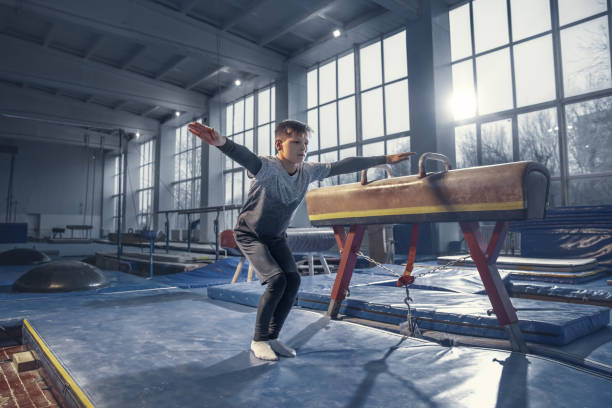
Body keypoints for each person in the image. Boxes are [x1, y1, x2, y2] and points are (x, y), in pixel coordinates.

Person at [188, 119, 414, 361]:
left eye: (305, 143)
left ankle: (272, 337)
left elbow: (342, 165)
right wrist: (221, 142)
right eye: (296, 142)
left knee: (293, 281)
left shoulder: (308, 170)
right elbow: (245, 157)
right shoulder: (267, 167)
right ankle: (259, 339)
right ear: (279, 144)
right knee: (277, 280)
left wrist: (383, 159)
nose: (303, 147)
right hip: (250, 234)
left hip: (275, 236)